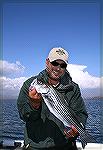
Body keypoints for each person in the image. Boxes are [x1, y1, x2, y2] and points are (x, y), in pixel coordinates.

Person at [17, 47, 88, 150]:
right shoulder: (29, 84)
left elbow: (80, 113)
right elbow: (24, 116)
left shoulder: (73, 88)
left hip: (65, 146)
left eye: (62, 65)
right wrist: (34, 104)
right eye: (55, 63)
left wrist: (78, 129)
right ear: (47, 62)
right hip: (36, 146)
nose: (58, 68)